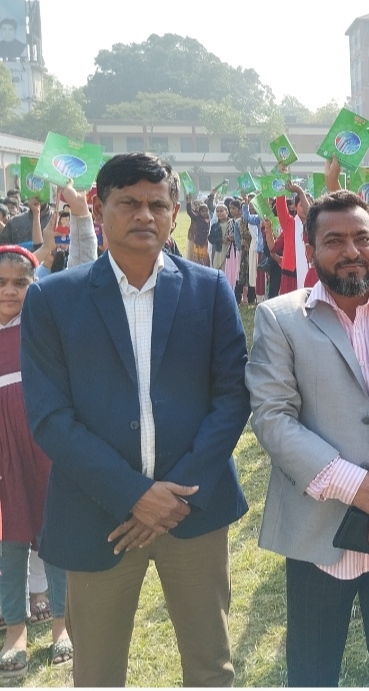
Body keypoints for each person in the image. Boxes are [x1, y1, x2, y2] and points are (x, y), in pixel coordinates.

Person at [20, 152, 250, 686]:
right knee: (97, 674)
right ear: (99, 207)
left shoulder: (209, 290)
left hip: (194, 510)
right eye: (128, 203)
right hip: (97, 514)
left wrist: (176, 496)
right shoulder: (54, 299)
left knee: (211, 667)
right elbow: (50, 417)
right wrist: (133, 494)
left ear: (174, 214)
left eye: (157, 204)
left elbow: (232, 397)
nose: (144, 215)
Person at [246, 189, 369, 687]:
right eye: (334, 240)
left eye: (361, 238)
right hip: (318, 528)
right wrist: (358, 488)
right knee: (312, 672)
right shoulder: (281, 319)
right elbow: (272, 417)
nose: (351, 250)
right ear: (311, 249)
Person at [0, 246, 71, 679]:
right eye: (1, 283)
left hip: (42, 444)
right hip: (3, 453)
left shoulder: (41, 327)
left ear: (35, 285)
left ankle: (62, 625)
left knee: (53, 533)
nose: (9, 291)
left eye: (20, 283)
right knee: (8, 540)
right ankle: (15, 631)